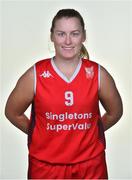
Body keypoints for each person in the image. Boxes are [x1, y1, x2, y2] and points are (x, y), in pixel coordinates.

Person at [5, 9, 123, 179]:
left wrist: (89, 133)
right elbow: (12, 112)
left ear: (84, 36)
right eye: (61, 34)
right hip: (45, 167)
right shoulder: (35, 75)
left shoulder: (98, 74)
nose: (68, 41)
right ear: (52, 36)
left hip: (90, 165)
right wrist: (41, 133)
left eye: (75, 34)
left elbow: (115, 112)